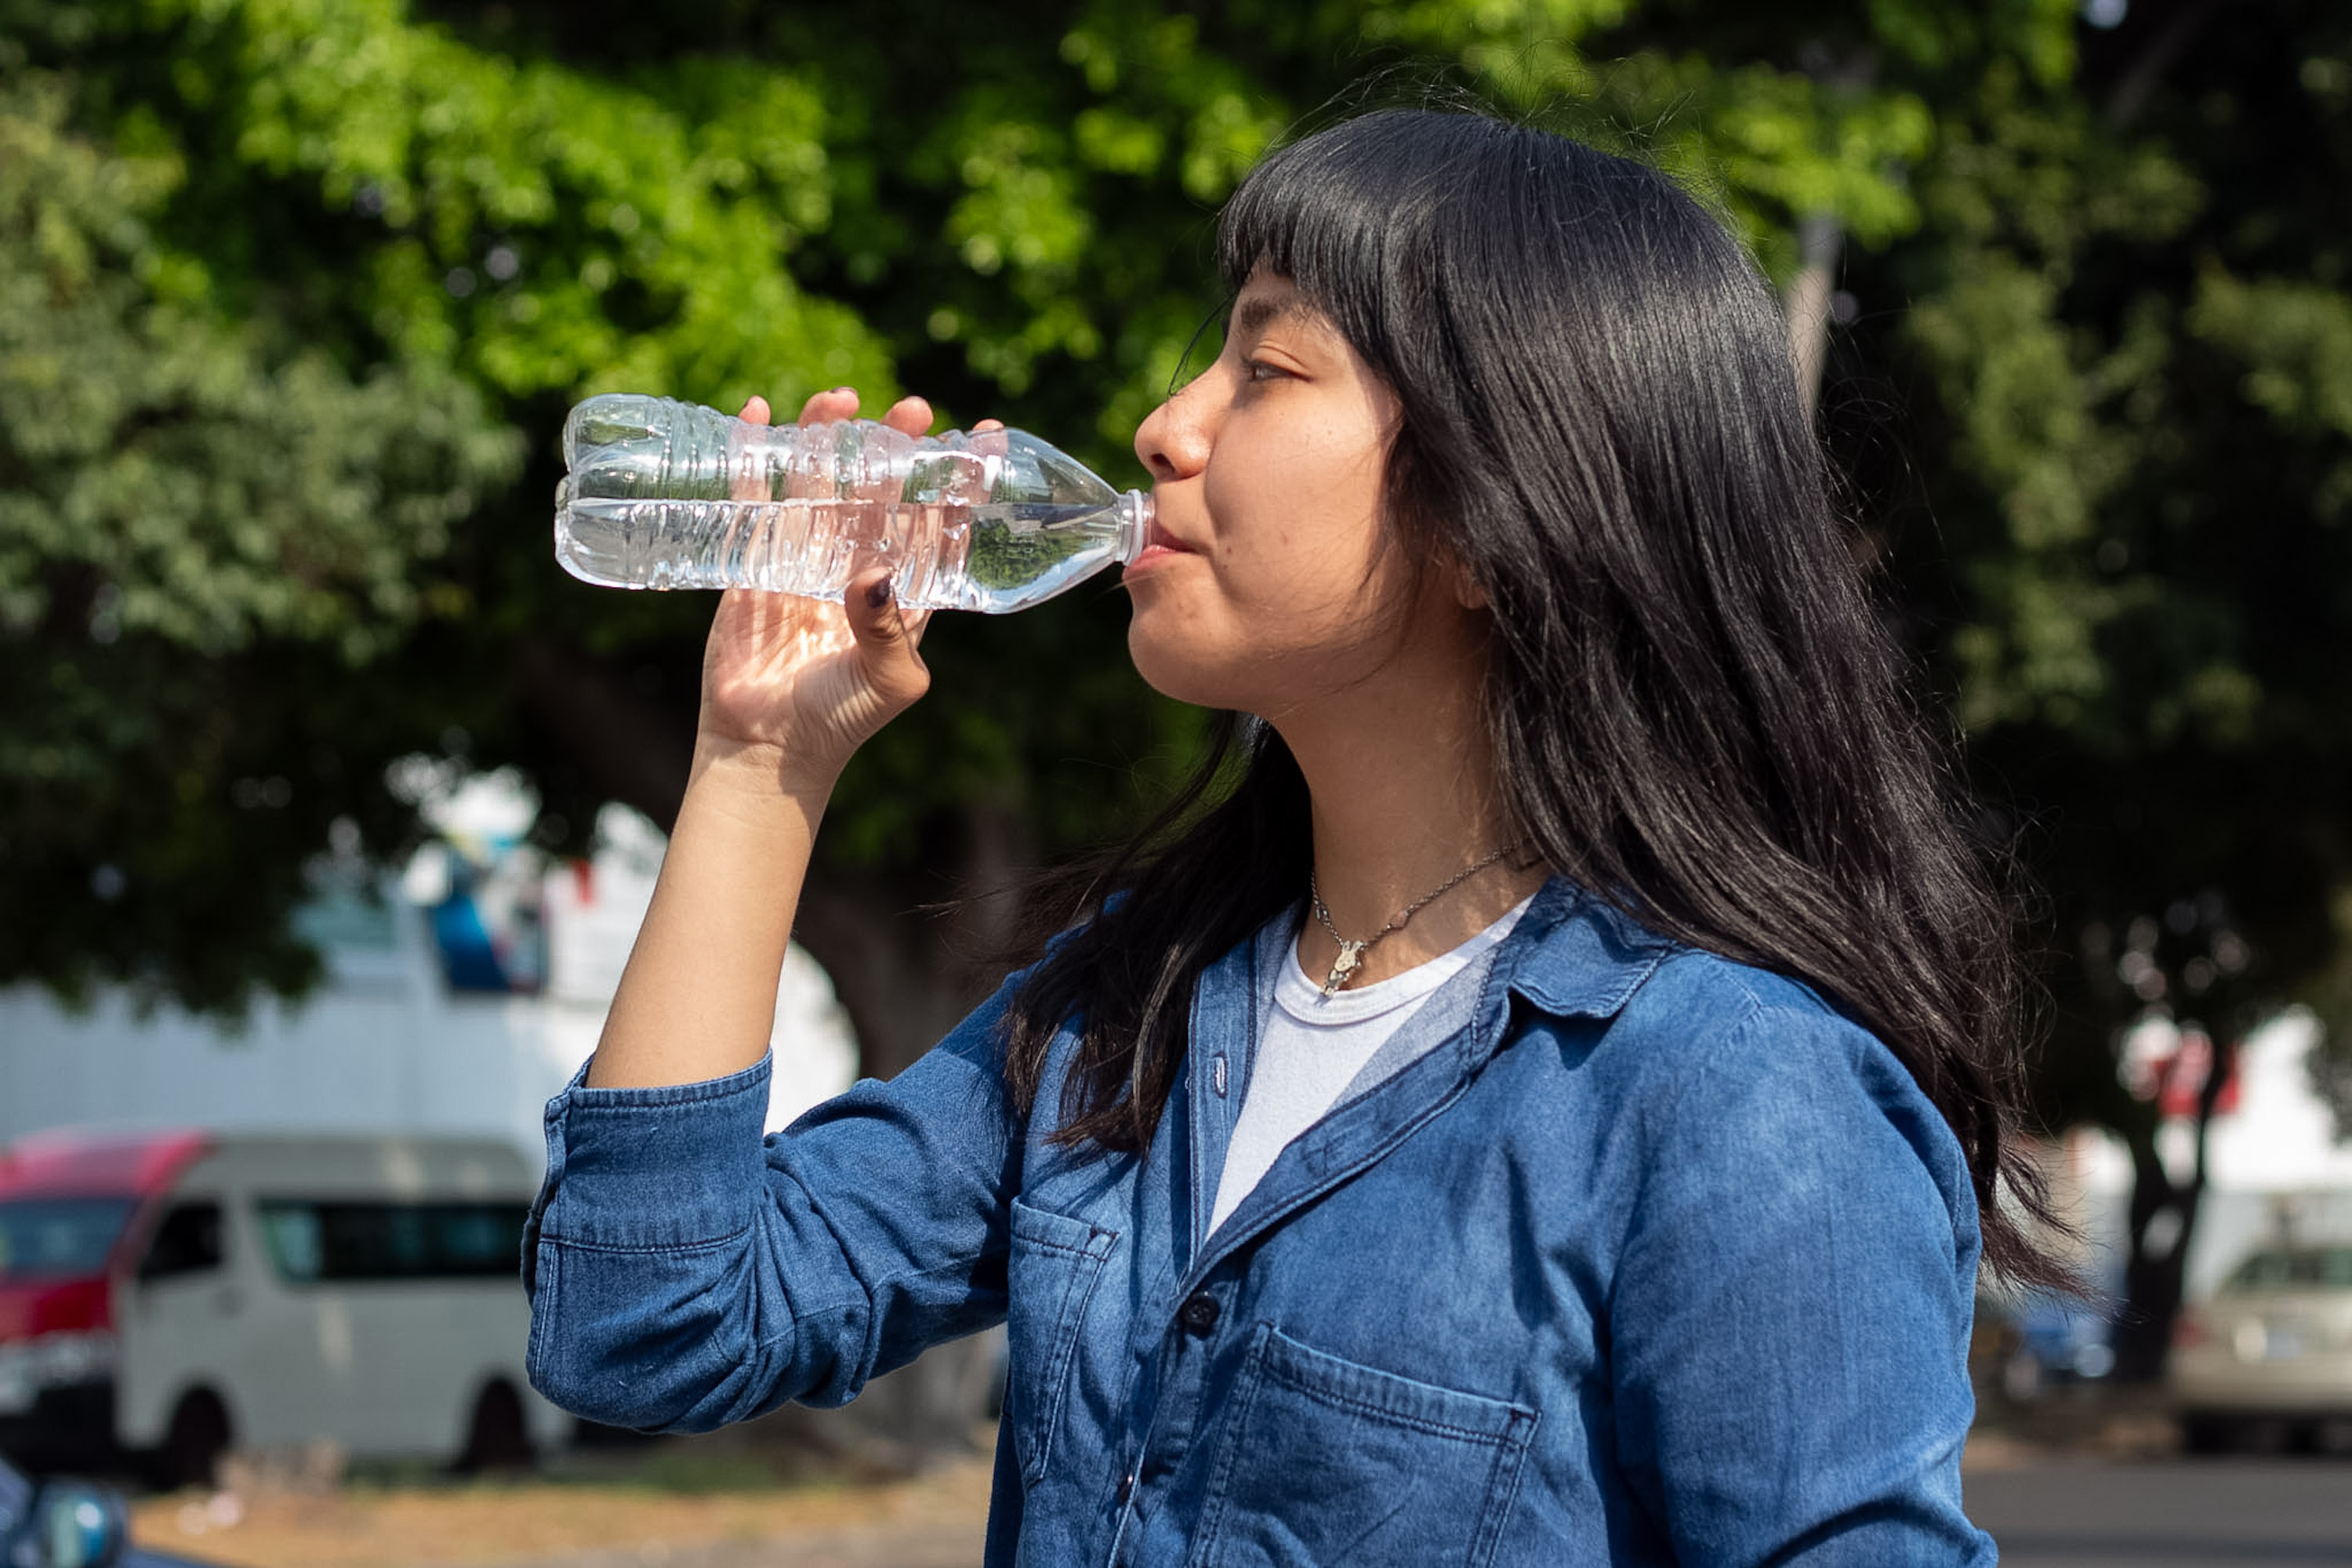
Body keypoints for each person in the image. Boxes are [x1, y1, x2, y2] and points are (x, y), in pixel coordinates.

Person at [524, 109, 2059, 1565]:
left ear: (1490, 512)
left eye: (1266, 367)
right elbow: (642, 1323)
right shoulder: (1123, 1019)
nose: (1165, 425)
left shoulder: (1732, 1094)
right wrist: (757, 758)